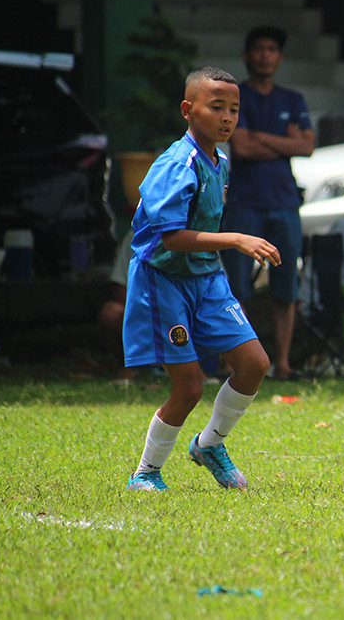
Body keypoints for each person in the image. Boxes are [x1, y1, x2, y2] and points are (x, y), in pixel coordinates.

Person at [124, 66, 279, 492]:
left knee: (254, 364)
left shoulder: (220, 161)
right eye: (217, 107)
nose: (227, 117)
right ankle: (146, 472)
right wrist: (237, 239)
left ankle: (209, 445)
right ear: (187, 110)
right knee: (190, 387)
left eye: (234, 109)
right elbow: (171, 238)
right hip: (163, 281)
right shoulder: (177, 164)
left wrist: (226, 245)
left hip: (207, 277)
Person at [221, 25, 314, 381]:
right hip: (244, 203)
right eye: (258, 48)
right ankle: (236, 364)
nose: (264, 55)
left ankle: (283, 363)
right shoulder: (237, 97)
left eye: (271, 49)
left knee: (285, 287)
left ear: (280, 57)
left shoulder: (292, 99)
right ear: (247, 55)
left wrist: (259, 136)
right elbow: (241, 148)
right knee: (236, 288)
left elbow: (307, 146)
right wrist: (283, 142)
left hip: (285, 203)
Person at [97, 229, 138, 385]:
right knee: (111, 312)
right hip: (146, 309)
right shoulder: (138, 231)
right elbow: (121, 286)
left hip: (185, 309)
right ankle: (130, 367)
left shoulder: (200, 228)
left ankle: (199, 371)